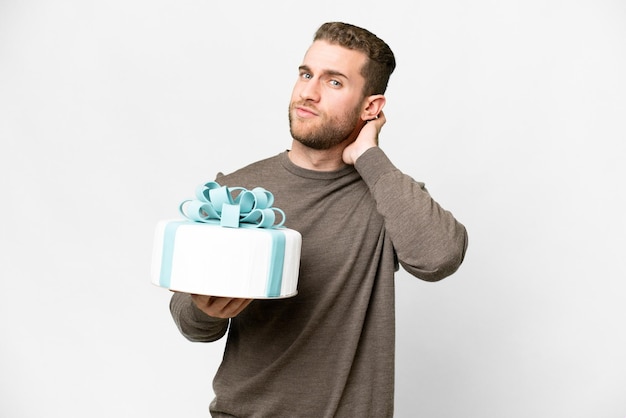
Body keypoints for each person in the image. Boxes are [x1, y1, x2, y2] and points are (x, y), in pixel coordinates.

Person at [169, 21, 468, 417]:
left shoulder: (386, 193)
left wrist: (368, 157)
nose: (308, 92)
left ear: (371, 108)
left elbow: (439, 257)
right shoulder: (238, 191)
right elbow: (191, 323)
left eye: (334, 82)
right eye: (306, 74)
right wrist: (204, 308)